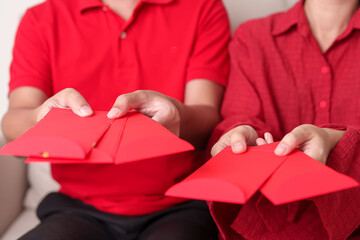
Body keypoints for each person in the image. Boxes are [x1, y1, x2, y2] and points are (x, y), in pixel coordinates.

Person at [1, 0, 230, 239]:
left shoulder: (203, 7)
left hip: (180, 205)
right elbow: (13, 129)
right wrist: (40, 119)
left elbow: (208, 119)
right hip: (77, 207)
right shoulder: (41, 18)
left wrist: (177, 115)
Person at [209, 0, 360, 239]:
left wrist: (336, 139)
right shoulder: (253, 38)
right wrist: (240, 133)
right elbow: (239, 117)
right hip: (266, 227)